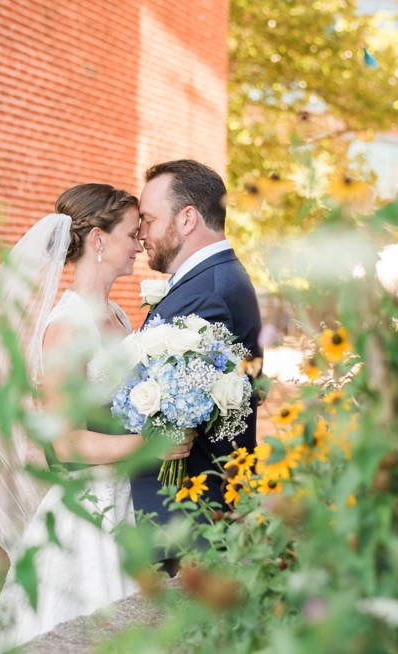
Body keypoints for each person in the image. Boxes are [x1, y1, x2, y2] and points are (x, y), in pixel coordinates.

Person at [0, 183, 192, 653]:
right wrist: (149, 445)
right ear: (97, 239)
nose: (140, 244)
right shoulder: (68, 326)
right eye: (132, 234)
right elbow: (67, 442)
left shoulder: (117, 315)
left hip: (133, 501)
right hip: (91, 515)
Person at [133, 159, 263, 532]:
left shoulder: (209, 292)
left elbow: (178, 404)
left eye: (149, 219)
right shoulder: (211, 279)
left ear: (187, 219)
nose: (141, 233)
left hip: (192, 512)